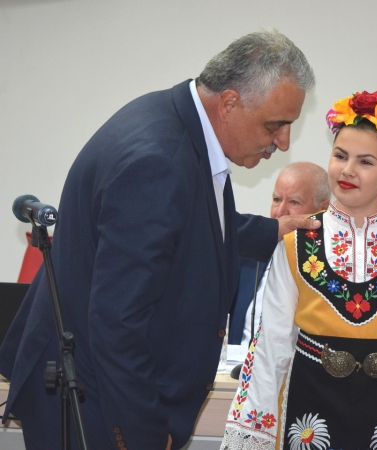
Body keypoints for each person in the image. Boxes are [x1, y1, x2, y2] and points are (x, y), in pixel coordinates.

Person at [0, 29, 319, 450]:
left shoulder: (175, 121)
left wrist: (272, 230)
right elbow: (117, 323)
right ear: (229, 103)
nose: (283, 141)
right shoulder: (158, 162)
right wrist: (144, 435)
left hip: (102, 392)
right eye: (276, 125)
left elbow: (186, 221)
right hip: (94, 406)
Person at [221, 91, 377, 449]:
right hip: (310, 411)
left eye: (365, 161)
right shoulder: (296, 241)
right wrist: (254, 433)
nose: (348, 169)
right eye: (340, 156)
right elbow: (271, 343)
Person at [228, 162, 330, 346]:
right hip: (237, 361)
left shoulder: (329, 267)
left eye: (294, 202)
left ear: (323, 209)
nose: (280, 212)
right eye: (276, 199)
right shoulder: (249, 253)